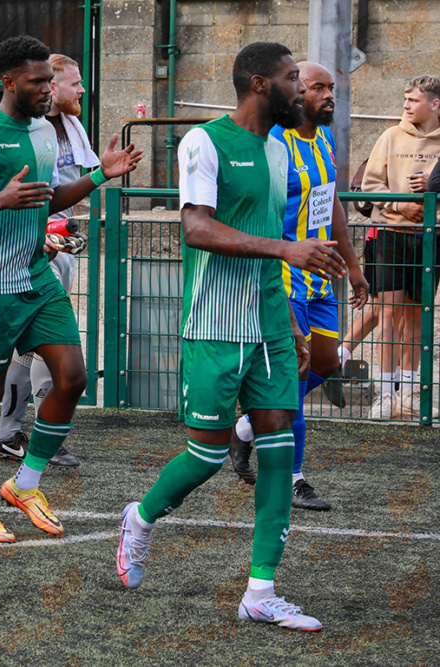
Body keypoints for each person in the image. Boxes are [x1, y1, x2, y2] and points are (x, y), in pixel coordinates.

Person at [115, 42, 345, 631]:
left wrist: (290, 320)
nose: (305, 88)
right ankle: (140, 519)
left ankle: (261, 592)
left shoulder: (279, 149)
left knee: (276, 451)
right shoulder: (205, 142)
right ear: (262, 84)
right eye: (296, 78)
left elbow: (268, 234)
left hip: (270, 326)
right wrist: (288, 248)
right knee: (207, 455)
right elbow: (196, 229)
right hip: (216, 326)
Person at [0, 35, 141, 544]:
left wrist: (98, 176)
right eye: (38, 81)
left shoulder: (48, 133)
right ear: (9, 82)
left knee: (72, 378)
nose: (49, 89)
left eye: (51, 80)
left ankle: (24, 485)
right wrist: (0, 199)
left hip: (36, 277)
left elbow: (46, 200)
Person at [228, 62, 370, 512]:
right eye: (318, 87)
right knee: (291, 377)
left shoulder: (324, 139)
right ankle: (294, 477)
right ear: (295, 93)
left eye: (332, 87)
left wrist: (353, 265)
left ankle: (247, 426)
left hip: (321, 275)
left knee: (326, 361)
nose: (329, 94)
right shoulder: (274, 143)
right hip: (284, 276)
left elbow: (334, 208)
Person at [0, 53, 100, 469]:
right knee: (47, 346)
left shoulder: (70, 127)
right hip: (29, 253)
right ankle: (43, 438)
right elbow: (9, 194)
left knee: (28, 350)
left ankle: (8, 433)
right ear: (52, 86)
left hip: (58, 248)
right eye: (75, 84)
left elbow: (65, 192)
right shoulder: (29, 131)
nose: (82, 91)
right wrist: (38, 236)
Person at [361, 75, 440, 419]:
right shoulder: (390, 137)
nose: (406, 106)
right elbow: (369, 187)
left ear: (435, 104)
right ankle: (384, 395)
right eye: (405, 99)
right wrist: (400, 206)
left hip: (430, 237)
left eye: (413, 100)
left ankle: (409, 396)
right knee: (389, 315)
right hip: (392, 234)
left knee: (417, 320)